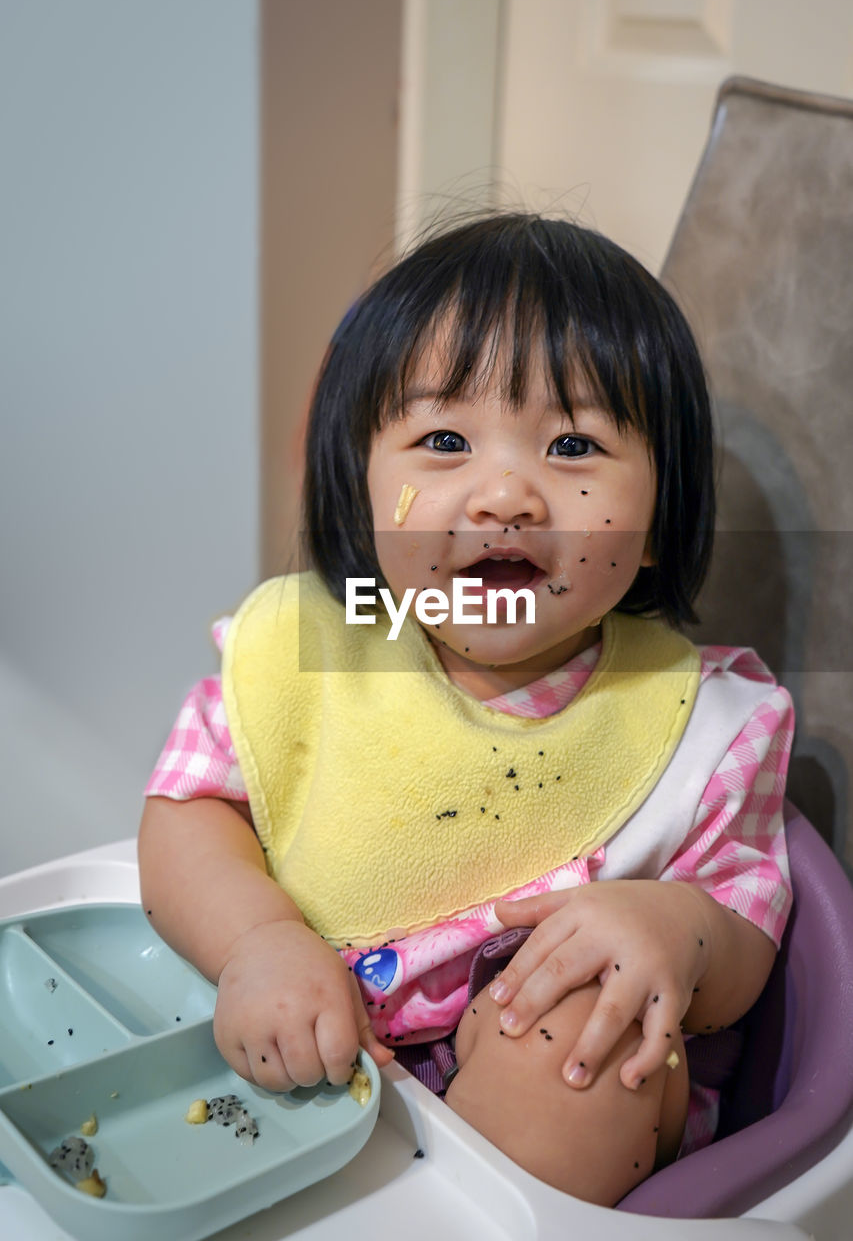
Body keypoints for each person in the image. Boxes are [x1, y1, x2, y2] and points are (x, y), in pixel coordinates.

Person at [139, 213, 793, 1207]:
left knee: (584, 1033)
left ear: (658, 520)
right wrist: (258, 939)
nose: (504, 494)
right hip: (306, 1068)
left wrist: (676, 925)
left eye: (572, 443)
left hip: (546, 1153)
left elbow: (750, 930)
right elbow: (190, 813)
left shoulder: (703, 723)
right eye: (443, 439)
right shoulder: (307, 656)